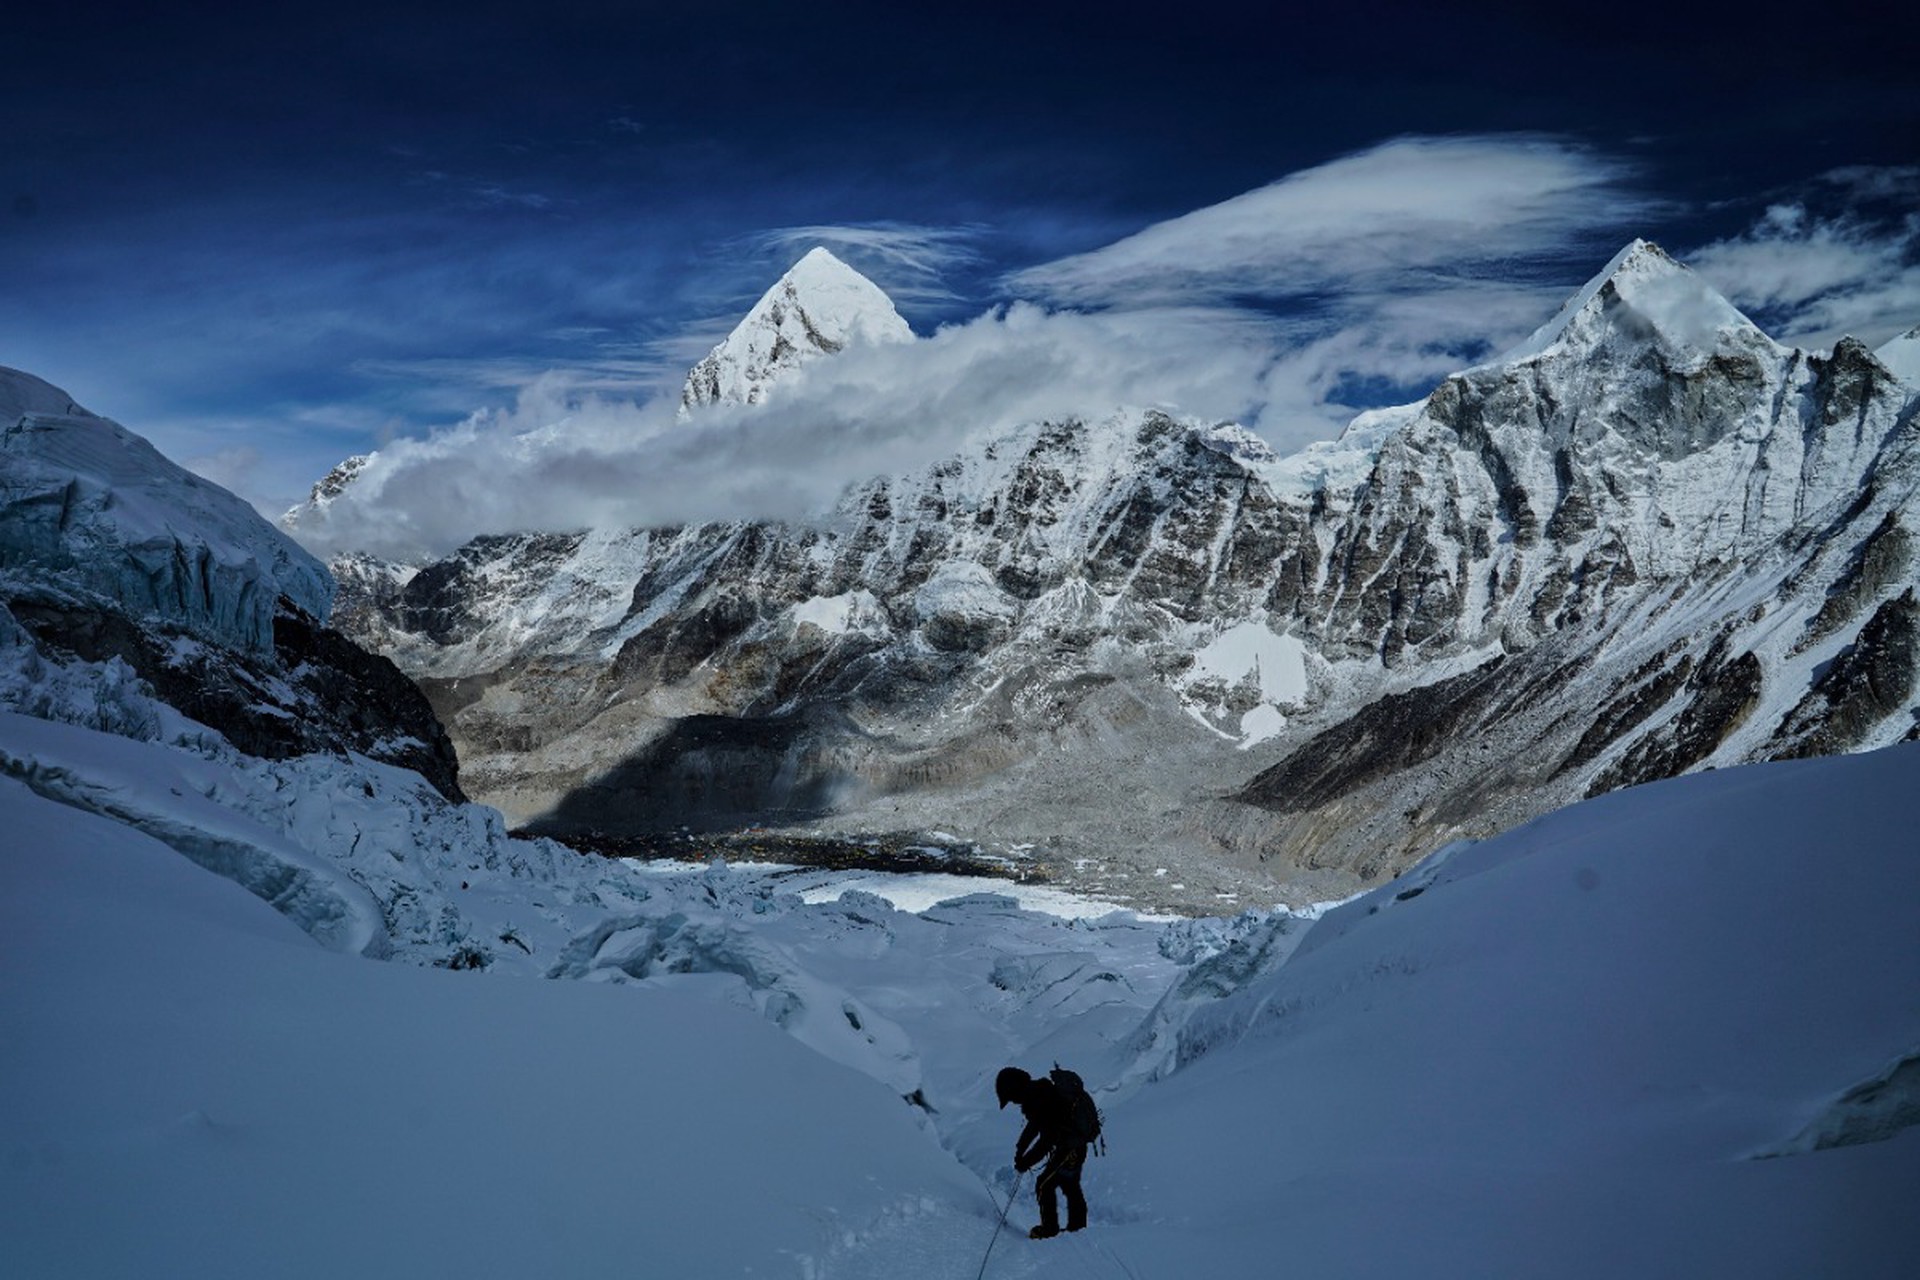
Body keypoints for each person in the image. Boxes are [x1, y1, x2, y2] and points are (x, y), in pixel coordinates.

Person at [996, 1065, 1088, 1239]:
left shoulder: (1038, 1099)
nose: (1013, 1102)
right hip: (1073, 1145)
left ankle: (1050, 1229)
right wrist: (1021, 1148)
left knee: (1045, 1184)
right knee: (1068, 1185)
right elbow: (1035, 1126)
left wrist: (1026, 1161)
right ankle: (1078, 1230)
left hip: (1071, 1148)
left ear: (1016, 1090)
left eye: (1011, 1097)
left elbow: (1047, 1140)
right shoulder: (1038, 1093)